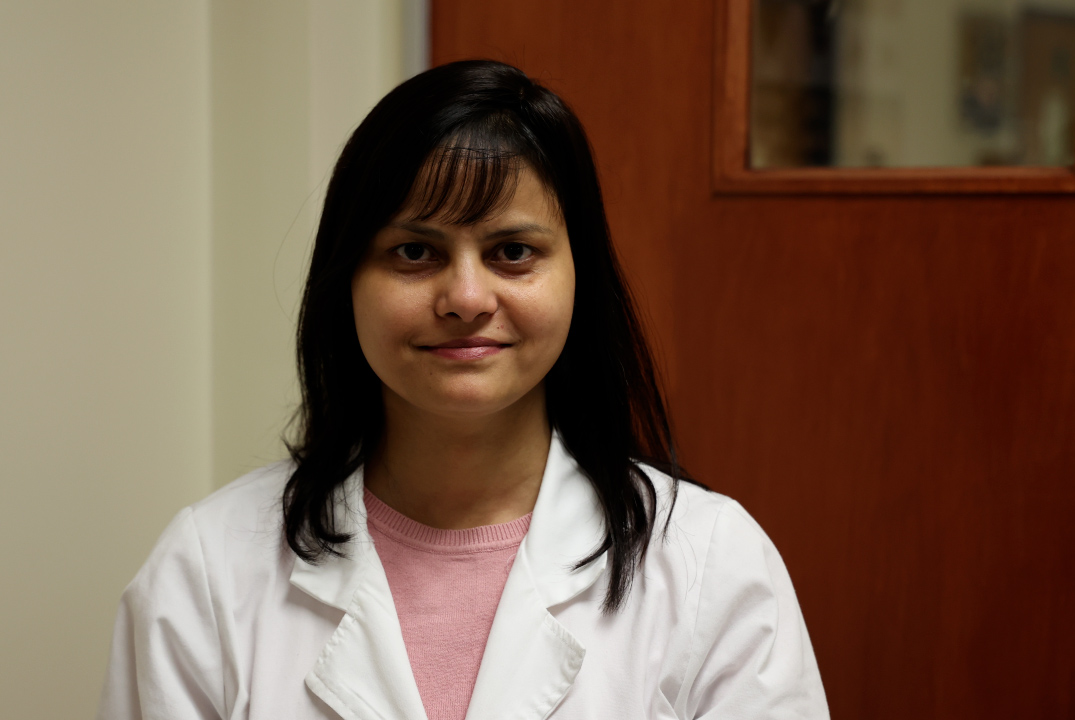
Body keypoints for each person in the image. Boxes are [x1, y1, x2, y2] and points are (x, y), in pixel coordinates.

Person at [96, 60, 829, 720]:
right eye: (415, 251)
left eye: (513, 252)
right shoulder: (207, 573)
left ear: (579, 275)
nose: (467, 298)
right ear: (345, 280)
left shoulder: (710, 566)